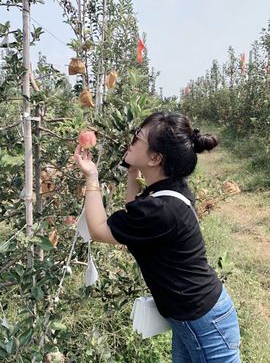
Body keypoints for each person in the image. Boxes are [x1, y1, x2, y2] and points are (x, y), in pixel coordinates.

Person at [74, 111, 241, 363]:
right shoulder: (170, 190)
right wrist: (132, 176)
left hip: (205, 321)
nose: (131, 140)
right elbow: (136, 214)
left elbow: (98, 229)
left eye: (138, 138)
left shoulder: (161, 209)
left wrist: (91, 177)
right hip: (194, 315)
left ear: (155, 158)